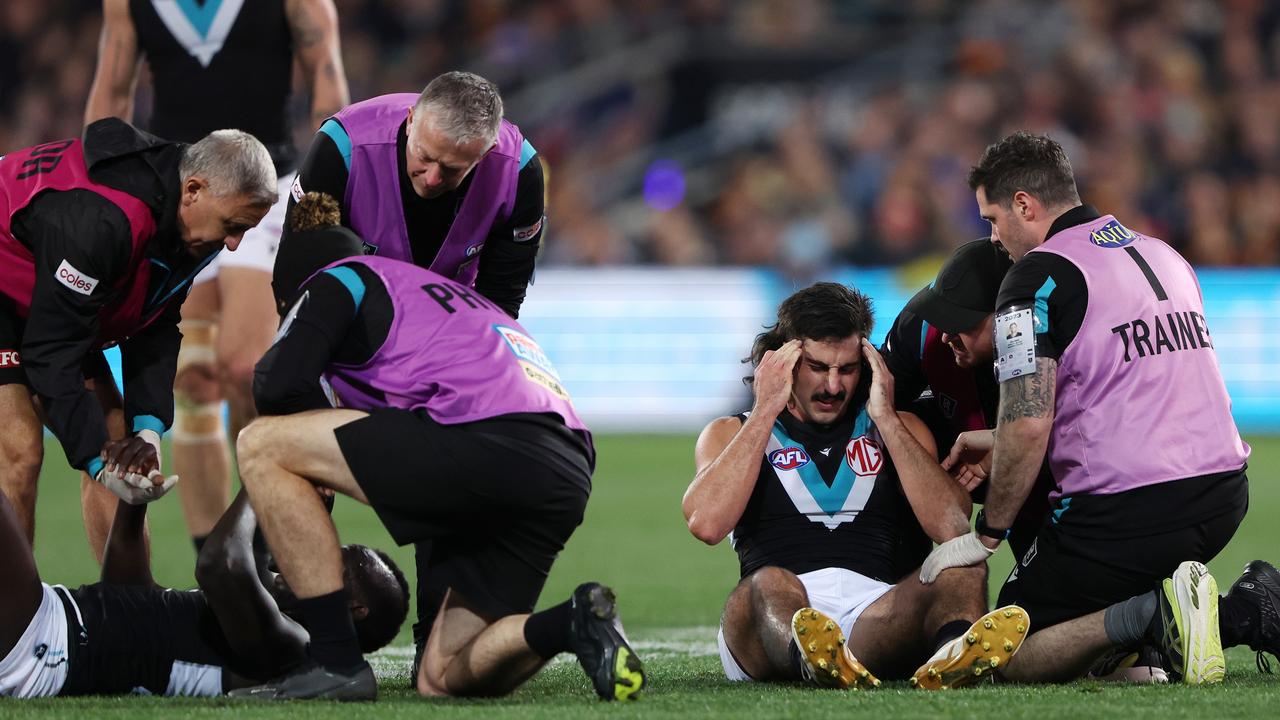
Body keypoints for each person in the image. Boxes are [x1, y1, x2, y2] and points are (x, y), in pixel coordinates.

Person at [229, 192, 644, 701]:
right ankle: (574, 620)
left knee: (262, 445)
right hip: (564, 466)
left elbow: (275, 381)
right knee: (442, 675)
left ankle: (336, 664)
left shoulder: (340, 276)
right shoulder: (435, 294)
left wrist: (309, 472)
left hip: (487, 438)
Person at [919, 131, 1278, 683]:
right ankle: (1207, 617)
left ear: (1024, 204)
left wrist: (986, 534)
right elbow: (1135, 392)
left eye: (992, 220)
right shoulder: (1162, 253)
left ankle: (1198, 614)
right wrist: (999, 440)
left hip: (1129, 511)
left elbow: (1028, 418)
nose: (993, 240)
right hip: (1224, 495)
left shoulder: (1035, 277)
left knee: (1008, 649)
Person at [275, 69, 547, 668]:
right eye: (424, 158)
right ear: (409, 123)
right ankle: (293, 635)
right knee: (291, 464)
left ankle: (440, 642)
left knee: (454, 483)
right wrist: (308, 406)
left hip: (446, 351)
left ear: (483, 152)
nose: (432, 178)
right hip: (343, 336)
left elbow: (501, 304)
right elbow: (297, 276)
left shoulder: (520, 173)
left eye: (453, 171)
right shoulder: (342, 148)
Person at [84, 0, 350, 554]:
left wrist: (325, 200)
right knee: (194, 383)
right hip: (179, 194)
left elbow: (327, 84)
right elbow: (113, 91)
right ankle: (217, 567)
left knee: (245, 370)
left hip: (268, 191)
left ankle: (266, 541)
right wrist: (97, 195)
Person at [682, 282, 1029, 691]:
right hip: (772, 618)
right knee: (767, 583)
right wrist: (764, 411)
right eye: (817, 367)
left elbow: (952, 526)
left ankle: (954, 655)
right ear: (783, 360)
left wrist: (885, 418)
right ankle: (809, 658)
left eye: (846, 369)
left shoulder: (901, 428)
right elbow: (706, 523)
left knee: (961, 564)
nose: (833, 386)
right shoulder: (731, 432)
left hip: (872, 617)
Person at [0, 119, 277, 548]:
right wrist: (96, 460)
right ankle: (16, 615)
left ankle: (131, 606)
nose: (236, 244)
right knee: (20, 449)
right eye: (233, 226)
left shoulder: (195, 220)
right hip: (12, 290)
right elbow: (50, 351)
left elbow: (156, 324)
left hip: (55, 295)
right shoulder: (105, 221)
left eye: (244, 229)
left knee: (120, 446)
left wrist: (147, 431)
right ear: (194, 191)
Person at [0, 478, 408, 698]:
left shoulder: (298, 650)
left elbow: (222, 564)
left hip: (43, 648)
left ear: (353, 609)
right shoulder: (265, 614)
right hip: (50, 634)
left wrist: (265, 476)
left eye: (338, 559)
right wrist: (132, 503)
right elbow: (128, 592)